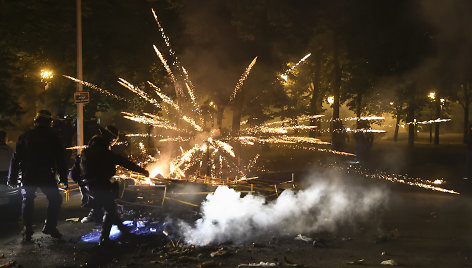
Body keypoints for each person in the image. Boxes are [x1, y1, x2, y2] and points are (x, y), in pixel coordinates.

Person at [70, 131, 148, 246]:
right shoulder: (106, 153)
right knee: (111, 210)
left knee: (110, 208)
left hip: (89, 188)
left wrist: (83, 183)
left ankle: (123, 232)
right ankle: (104, 238)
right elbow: (125, 163)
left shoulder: (83, 154)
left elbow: (73, 175)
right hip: (101, 185)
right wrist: (142, 171)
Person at [7, 110, 68, 241]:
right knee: (55, 199)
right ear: (49, 123)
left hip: (28, 175)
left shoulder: (25, 136)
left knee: (27, 201)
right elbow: (61, 159)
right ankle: (50, 226)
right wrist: (63, 178)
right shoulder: (53, 137)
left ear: (36, 121)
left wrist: (12, 178)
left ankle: (27, 230)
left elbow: (15, 158)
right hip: (46, 175)